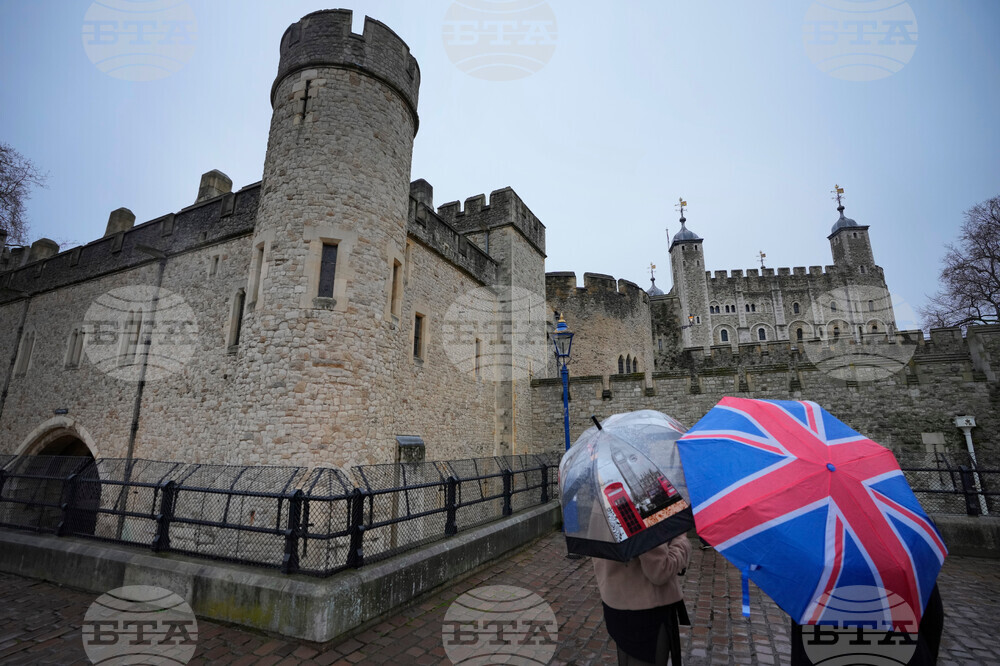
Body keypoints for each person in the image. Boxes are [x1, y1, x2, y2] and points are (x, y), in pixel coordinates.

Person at [593, 534, 692, 665]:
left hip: (616, 605)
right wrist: (681, 539)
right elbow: (660, 571)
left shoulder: (600, 512)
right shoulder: (639, 514)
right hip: (646, 615)